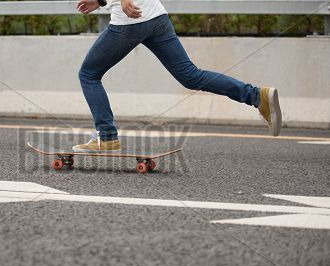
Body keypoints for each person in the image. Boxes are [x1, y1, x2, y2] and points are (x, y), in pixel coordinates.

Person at [73, 0, 282, 152]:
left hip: (131, 20)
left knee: (89, 74)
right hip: (156, 17)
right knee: (191, 76)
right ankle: (257, 96)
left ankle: (107, 136)